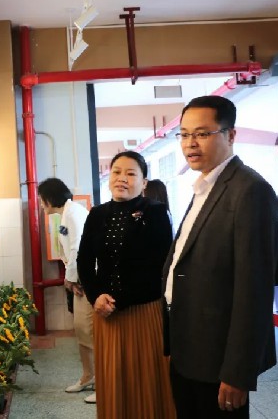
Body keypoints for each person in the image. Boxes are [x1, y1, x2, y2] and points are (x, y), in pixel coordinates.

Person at [163, 95, 278, 418]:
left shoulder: (249, 190)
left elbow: (254, 290)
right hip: (189, 346)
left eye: (202, 133)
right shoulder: (204, 187)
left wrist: (238, 371)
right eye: (185, 134)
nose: (191, 143)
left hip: (219, 357)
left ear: (230, 135)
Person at [78, 151, 175, 418]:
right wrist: (96, 296)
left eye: (131, 173)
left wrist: (118, 300)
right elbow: (84, 261)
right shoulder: (97, 214)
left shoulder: (155, 212)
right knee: (114, 381)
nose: (122, 178)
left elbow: (160, 266)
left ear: (143, 182)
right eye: (116, 172)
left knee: (146, 382)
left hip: (143, 311)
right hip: (105, 313)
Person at [38, 178, 94, 403]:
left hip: (86, 281)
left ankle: (102, 382)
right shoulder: (67, 214)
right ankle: (88, 376)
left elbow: (77, 248)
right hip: (79, 279)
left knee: (88, 330)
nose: (41, 204)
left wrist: (70, 279)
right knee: (81, 330)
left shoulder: (73, 213)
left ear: (50, 198)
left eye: (42, 199)